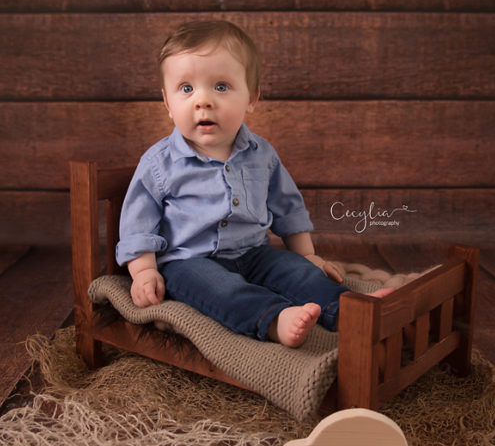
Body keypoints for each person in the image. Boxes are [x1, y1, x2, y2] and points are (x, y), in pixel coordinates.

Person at [116, 20, 351, 348]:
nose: (203, 101)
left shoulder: (261, 154)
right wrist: (143, 272)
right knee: (222, 291)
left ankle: (348, 310)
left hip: (253, 253)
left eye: (221, 87)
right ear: (168, 104)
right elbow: (138, 224)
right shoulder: (159, 164)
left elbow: (288, 208)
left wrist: (307, 255)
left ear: (251, 98)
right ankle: (273, 319)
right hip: (189, 263)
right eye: (187, 89)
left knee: (297, 271)